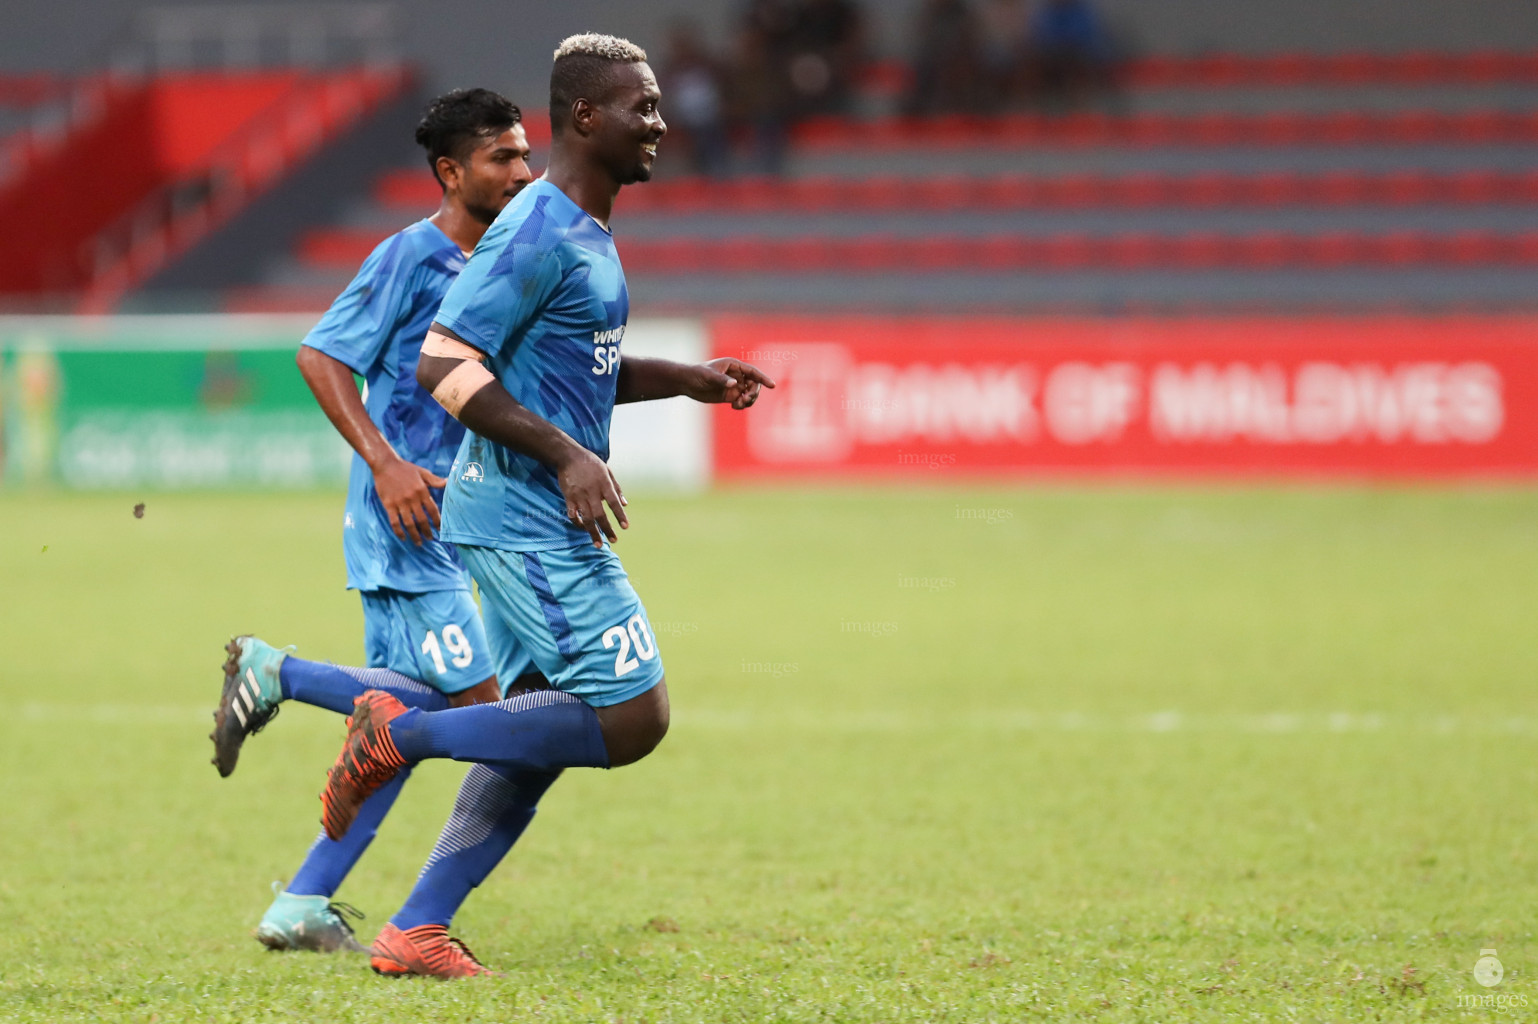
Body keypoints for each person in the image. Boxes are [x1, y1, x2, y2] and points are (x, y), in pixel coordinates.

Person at [314, 33, 775, 979]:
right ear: (584, 117)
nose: (659, 121)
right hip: (522, 518)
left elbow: (569, 373)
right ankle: (395, 732)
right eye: (641, 107)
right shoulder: (538, 228)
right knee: (631, 719)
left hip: (522, 513)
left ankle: (414, 929)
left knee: (533, 734)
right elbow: (443, 363)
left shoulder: (584, 232)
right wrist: (568, 455)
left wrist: (684, 378)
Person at [209, 88, 536, 953]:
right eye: (502, 157)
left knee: (391, 728)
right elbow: (319, 354)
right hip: (405, 518)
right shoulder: (408, 257)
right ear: (451, 170)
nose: (522, 170)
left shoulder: (504, 265)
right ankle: (276, 670)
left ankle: (301, 903)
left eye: (523, 153)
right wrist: (386, 463)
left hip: (452, 519)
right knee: (489, 716)